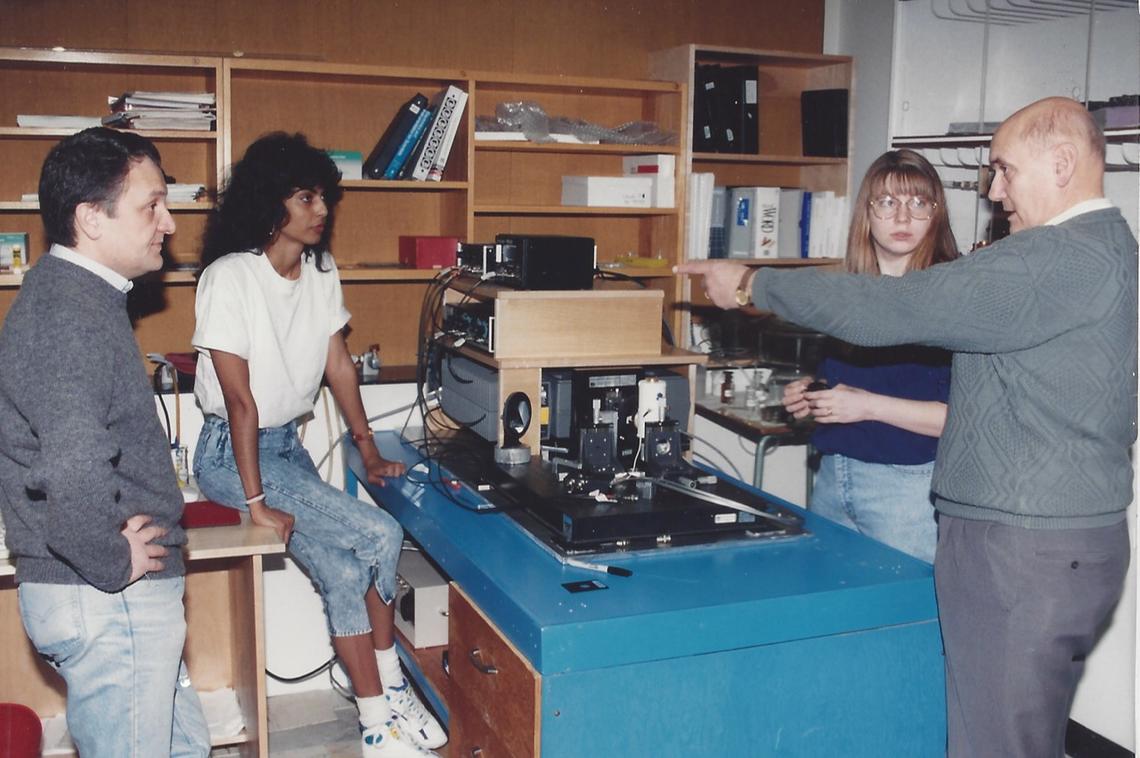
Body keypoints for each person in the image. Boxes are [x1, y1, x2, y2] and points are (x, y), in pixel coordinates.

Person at [680, 96, 1136, 758]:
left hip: (1021, 548)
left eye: (1004, 170)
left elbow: (886, 311)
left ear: (1062, 163)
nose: (993, 191)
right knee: (1018, 734)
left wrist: (753, 283)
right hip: (1058, 543)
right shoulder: (1107, 244)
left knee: (994, 744)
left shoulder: (1050, 258)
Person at [191, 132, 445, 758]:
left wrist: (367, 445)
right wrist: (254, 502)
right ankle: (389, 685)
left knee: (340, 568)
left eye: (324, 197)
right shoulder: (229, 278)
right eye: (306, 197)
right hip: (232, 455)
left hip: (284, 449)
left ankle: (375, 725)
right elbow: (241, 403)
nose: (321, 210)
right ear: (269, 203)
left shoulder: (320, 273)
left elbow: (339, 366)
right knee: (380, 535)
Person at [0, 127, 210, 757]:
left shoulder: (79, 299)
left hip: (111, 598)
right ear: (91, 218)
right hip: (107, 599)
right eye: (151, 206)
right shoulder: (70, 313)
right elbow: (70, 465)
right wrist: (110, 560)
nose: (169, 224)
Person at [780, 149, 959, 562]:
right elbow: (851, 391)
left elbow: (960, 419)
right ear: (868, 212)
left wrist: (865, 406)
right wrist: (811, 397)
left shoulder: (952, 298)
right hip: (832, 476)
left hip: (908, 490)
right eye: (887, 202)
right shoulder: (850, 293)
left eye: (918, 203)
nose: (902, 218)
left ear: (936, 213)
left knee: (904, 617)